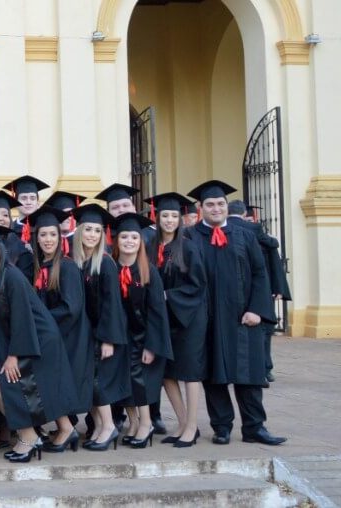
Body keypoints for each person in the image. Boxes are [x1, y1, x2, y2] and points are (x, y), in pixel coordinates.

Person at [185, 180, 285, 446]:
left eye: (220, 204)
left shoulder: (245, 234)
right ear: (200, 208)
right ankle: (222, 427)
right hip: (207, 319)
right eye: (210, 204)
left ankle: (254, 427)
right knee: (213, 375)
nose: (216, 209)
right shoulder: (191, 237)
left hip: (243, 318)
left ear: (226, 206)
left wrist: (257, 310)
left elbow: (260, 273)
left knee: (249, 375)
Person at [0, 223, 75, 463]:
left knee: (4, 385)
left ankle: (29, 437)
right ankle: (65, 430)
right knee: (33, 387)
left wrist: (13, 354)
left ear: (1, 250)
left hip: (39, 339)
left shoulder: (11, 276)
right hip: (25, 339)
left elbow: (21, 318)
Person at [23, 206, 92, 453]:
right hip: (49, 336)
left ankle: (66, 429)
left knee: (55, 382)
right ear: (36, 238)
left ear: (60, 237)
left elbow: (71, 308)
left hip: (68, 336)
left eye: (53, 234)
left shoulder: (68, 267)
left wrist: (41, 325)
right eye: (43, 235)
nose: (48, 239)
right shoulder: (36, 267)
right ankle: (62, 428)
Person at [149, 192, 208, 447]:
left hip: (189, 318)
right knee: (167, 373)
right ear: (157, 217)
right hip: (164, 319)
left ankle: (193, 425)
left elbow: (198, 285)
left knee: (190, 372)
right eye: (165, 216)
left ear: (180, 219)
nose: (170, 220)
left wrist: (167, 295)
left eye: (174, 216)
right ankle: (183, 423)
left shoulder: (189, 246)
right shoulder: (151, 246)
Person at [71, 204, 130, 450]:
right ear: (79, 232)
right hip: (86, 334)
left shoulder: (104, 263)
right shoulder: (78, 262)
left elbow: (112, 305)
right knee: (88, 381)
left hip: (102, 334)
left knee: (98, 382)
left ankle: (108, 426)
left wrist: (108, 339)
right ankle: (98, 425)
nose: (93, 235)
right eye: (88, 230)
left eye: (97, 230)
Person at [111, 212, 173, 449]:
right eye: (124, 236)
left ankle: (146, 424)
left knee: (139, 381)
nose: (129, 241)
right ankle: (134, 422)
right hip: (121, 337)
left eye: (134, 237)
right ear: (116, 241)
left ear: (141, 241)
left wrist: (152, 344)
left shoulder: (148, 271)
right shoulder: (112, 268)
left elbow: (158, 311)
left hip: (143, 336)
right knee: (124, 381)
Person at [227, 199, 289, 383]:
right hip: (259, 289)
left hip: (230, 290)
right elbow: (273, 250)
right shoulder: (255, 230)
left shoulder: (220, 230)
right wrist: (278, 287)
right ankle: (265, 368)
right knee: (263, 332)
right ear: (245, 214)